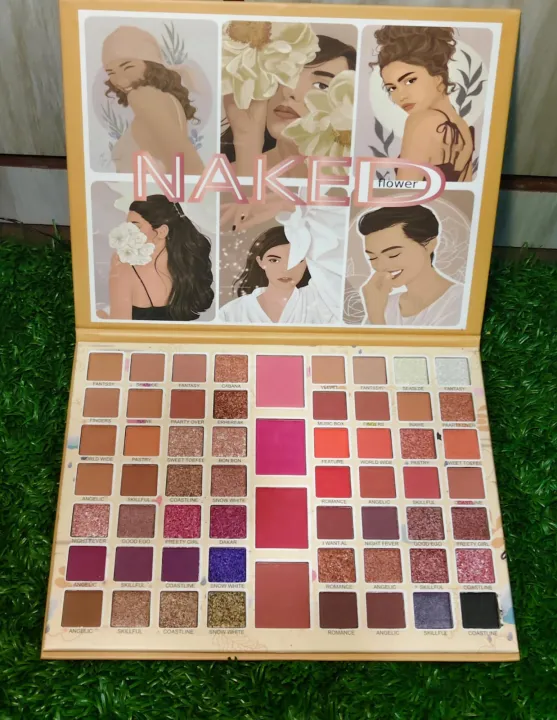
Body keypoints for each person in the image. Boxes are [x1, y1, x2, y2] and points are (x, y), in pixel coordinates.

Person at [221, 34, 356, 177]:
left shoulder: (358, 180)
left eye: (321, 86)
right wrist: (247, 142)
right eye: (284, 77)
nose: (288, 91)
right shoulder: (223, 175)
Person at [373, 26, 474, 182]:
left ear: (438, 77)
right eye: (392, 88)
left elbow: (403, 190)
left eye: (410, 81)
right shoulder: (462, 126)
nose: (401, 96)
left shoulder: (422, 122)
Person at [220, 205, 346, 324]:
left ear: (308, 262)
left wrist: (290, 206)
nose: (286, 269)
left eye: (296, 260)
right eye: (274, 260)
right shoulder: (231, 312)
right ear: (260, 261)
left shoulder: (321, 302)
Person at [102, 26, 203, 174]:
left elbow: (190, 166)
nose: (120, 81)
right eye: (111, 72)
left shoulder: (142, 96)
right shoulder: (164, 98)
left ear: (151, 65)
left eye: (128, 67)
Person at [102, 195, 214, 321]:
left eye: (135, 226)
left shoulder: (124, 267)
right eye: (127, 226)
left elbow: (119, 327)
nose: (127, 233)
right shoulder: (188, 267)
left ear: (162, 231)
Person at [359, 205, 464, 327]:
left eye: (393, 254)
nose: (381, 266)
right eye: (372, 257)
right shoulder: (383, 304)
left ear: (429, 245)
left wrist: (376, 317)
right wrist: (375, 311)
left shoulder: (460, 301)